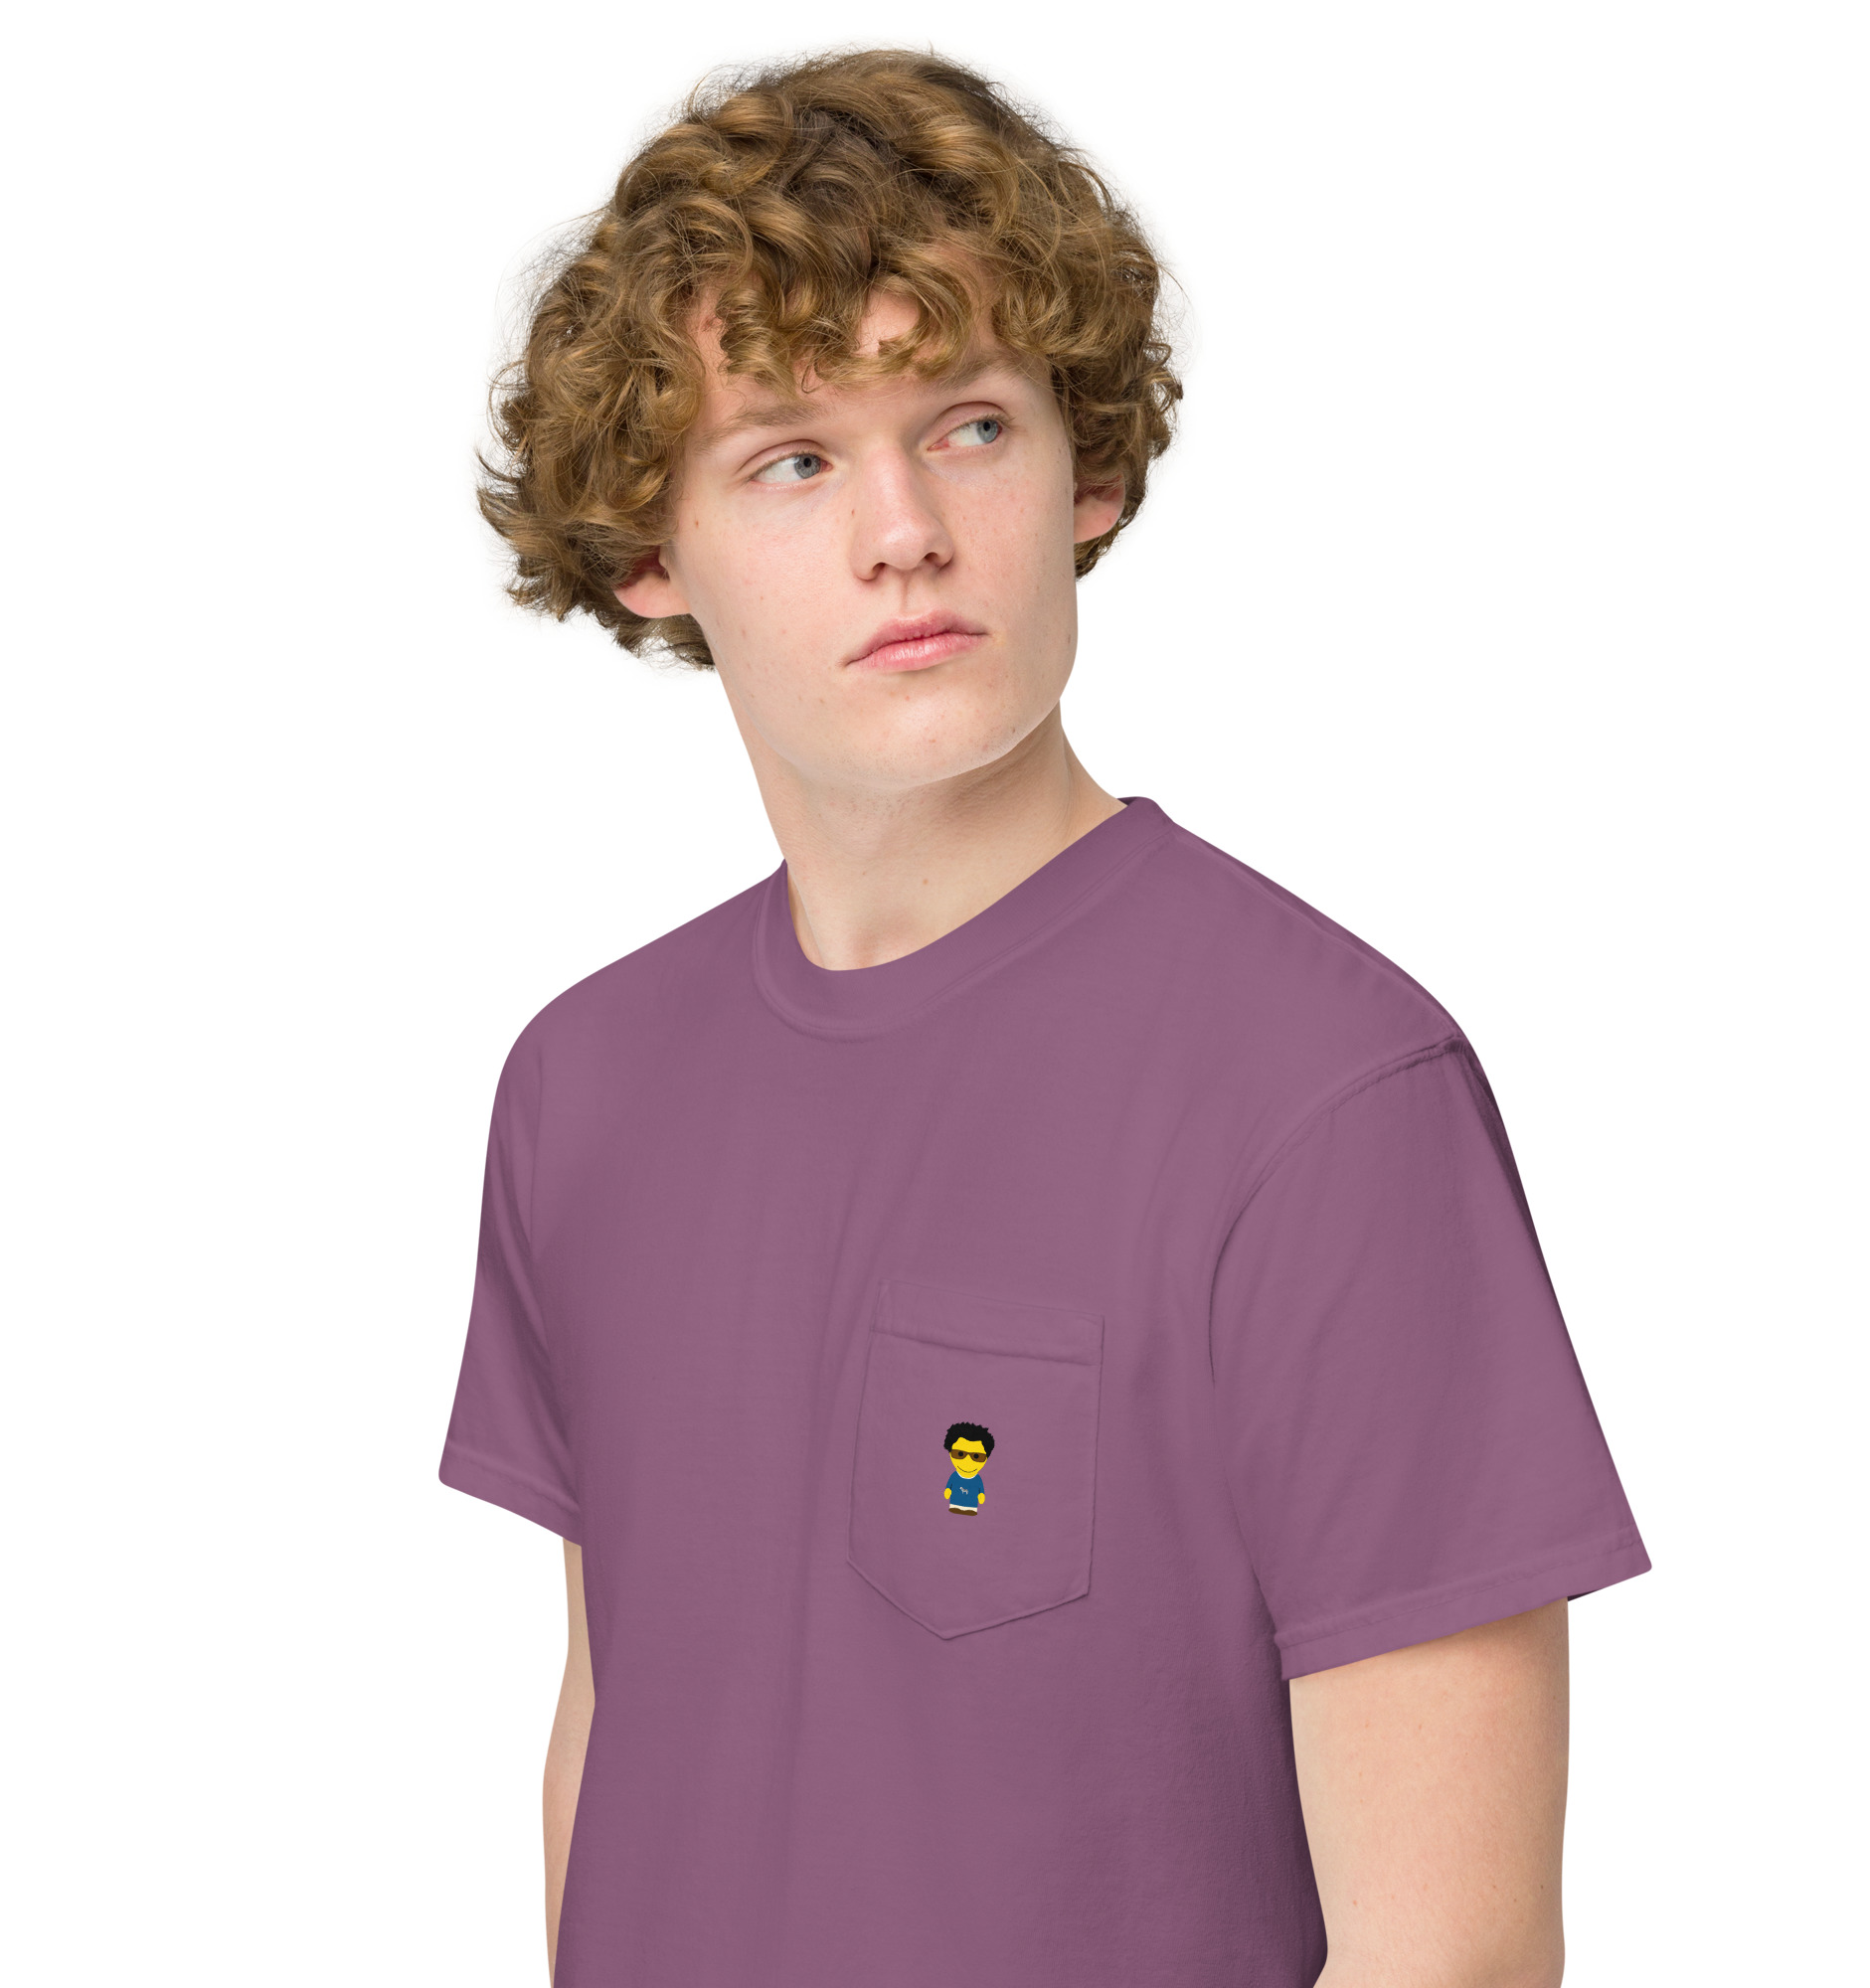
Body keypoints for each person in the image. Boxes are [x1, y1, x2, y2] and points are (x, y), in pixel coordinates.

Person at [437, 47, 1650, 1988]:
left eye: (971, 426)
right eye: (794, 458)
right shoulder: (583, 1090)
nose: (903, 529)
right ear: (651, 547)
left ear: (1086, 470)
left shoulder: (1328, 1098)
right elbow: (621, 1722)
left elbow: (1457, 1957)